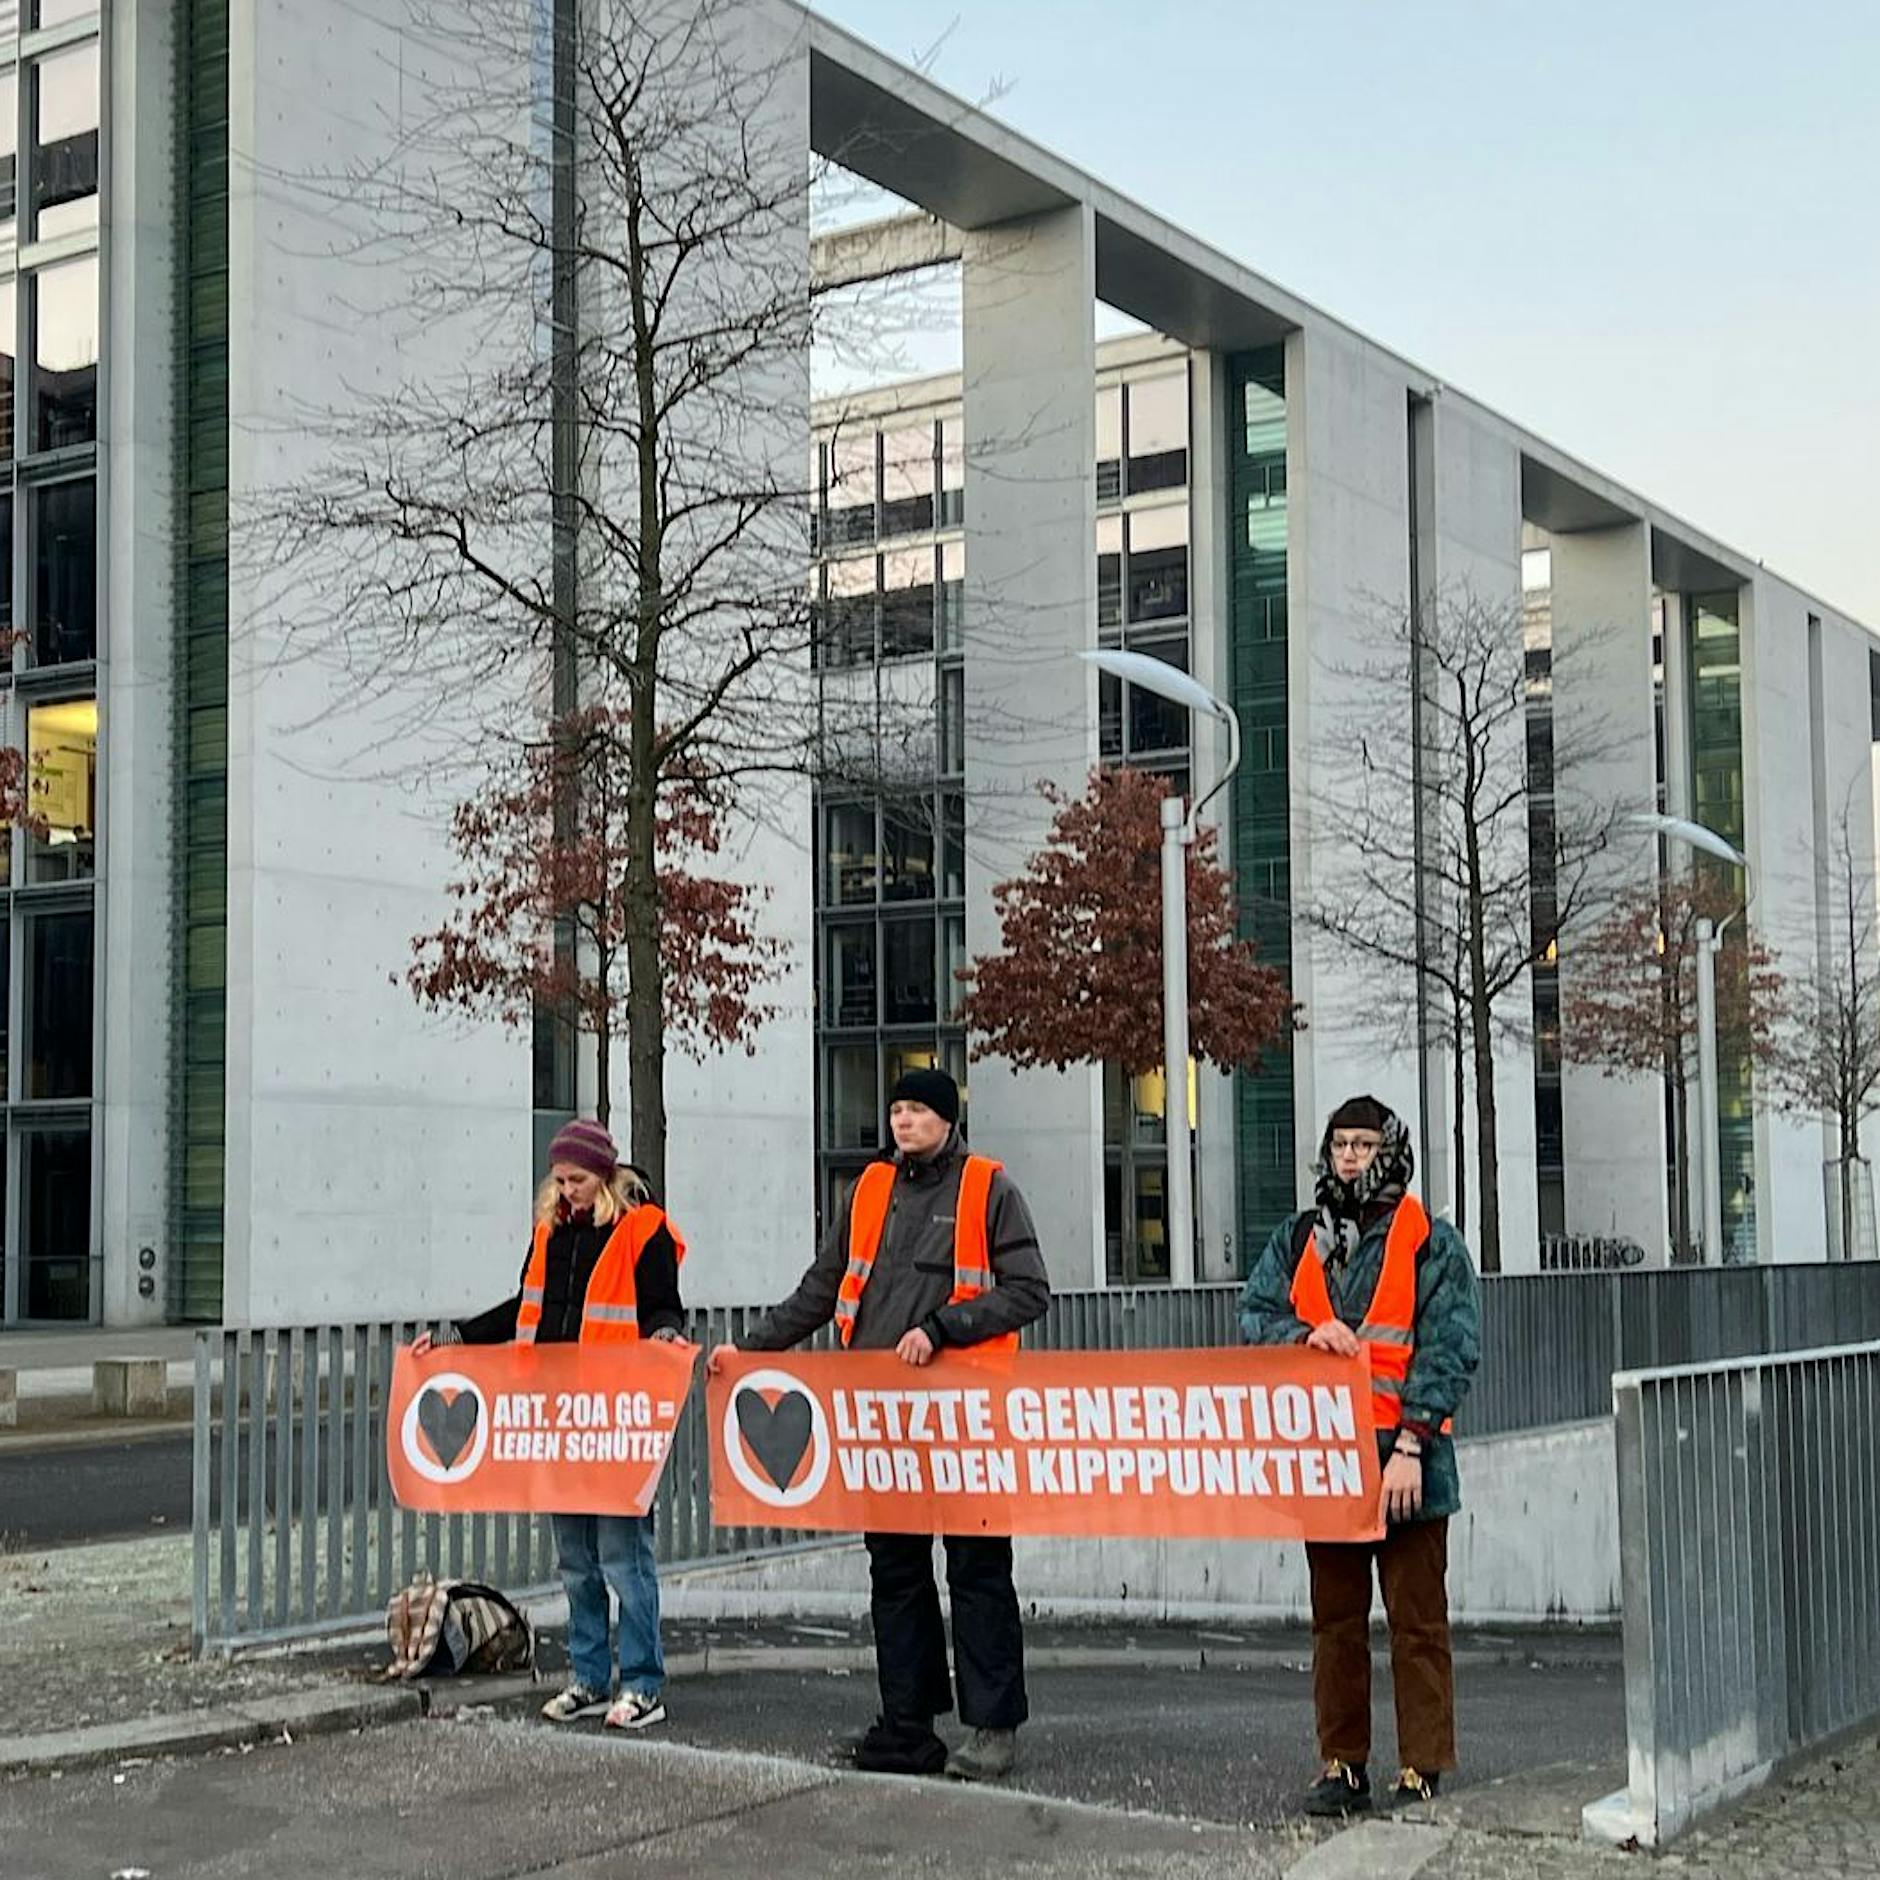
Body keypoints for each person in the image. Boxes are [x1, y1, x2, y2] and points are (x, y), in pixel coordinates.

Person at [708, 1066, 1049, 1781]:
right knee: (895, 1573)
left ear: (948, 1121)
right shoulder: (868, 1189)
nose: (903, 1121)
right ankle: (908, 1724)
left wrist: (942, 1327)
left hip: (963, 1416)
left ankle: (992, 1727)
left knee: (978, 1571)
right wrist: (753, 1349)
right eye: (896, 1108)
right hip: (882, 1418)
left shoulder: (990, 1188)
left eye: (918, 1111)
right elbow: (822, 1288)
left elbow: (1029, 1292)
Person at [1239, 1095, 1480, 1818]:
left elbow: (1450, 1348)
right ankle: (1342, 1765)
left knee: (1417, 1622)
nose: (1350, 1156)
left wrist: (1411, 1441)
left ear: (1391, 1151)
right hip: (1331, 1465)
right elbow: (1253, 1316)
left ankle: (1422, 1766)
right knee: (1335, 1625)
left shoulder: (1428, 1241)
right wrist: (1302, 1336)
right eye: (1341, 1144)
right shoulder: (1299, 1238)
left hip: (1410, 1466)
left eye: (1364, 1145)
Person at [417, 1118, 687, 1732]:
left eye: (580, 1179)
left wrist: (666, 1334)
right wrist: (461, 1335)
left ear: (607, 1175)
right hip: (560, 1417)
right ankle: (591, 1678)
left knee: (625, 1558)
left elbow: (662, 1305)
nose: (569, 1191)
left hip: (616, 1418)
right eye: (561, 1179)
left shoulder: (642, 1228)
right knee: (576, 1560)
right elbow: (525, 1308)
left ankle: (642, 1683)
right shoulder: (549, 1233)